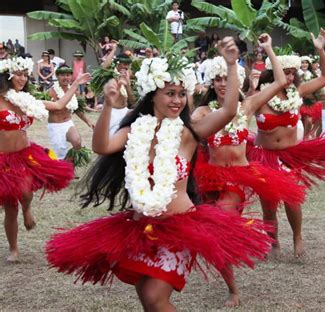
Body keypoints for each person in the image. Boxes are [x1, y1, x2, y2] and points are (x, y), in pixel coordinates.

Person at [46, 37, 273, 311]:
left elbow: (227, 110)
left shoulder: (188, 133)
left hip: (180, 227)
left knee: (155, 297)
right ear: (153, 93)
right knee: (147, 297)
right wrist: (108, 105)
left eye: (181, 93)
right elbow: (102, 146)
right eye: (170, 93)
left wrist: (231, 64)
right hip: (142, 226)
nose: (177, 100)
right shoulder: (134, 131)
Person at [192, 34, 305, 307]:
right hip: (209, 179)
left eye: (226, 78)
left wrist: (268, 49)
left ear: (238, 80)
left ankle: (234, 288)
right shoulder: (203, 113)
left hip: (237, 179)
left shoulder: (247, 106)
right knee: (214, 235)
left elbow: (279, 81)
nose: (222, 84)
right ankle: (232, 286)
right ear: (211, 82)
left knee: (221, 221)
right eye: (217, 79)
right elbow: (186, 129)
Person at [249, 29, 325, 258]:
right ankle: (272, 240)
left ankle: (297, 237)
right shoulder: (260, 96)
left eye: (293, 73)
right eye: (286, 72)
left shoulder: (299, 92)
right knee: (268, 204)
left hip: (289, 155)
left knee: (292, 198)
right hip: (264, 155)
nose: (290, 77)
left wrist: (320, 49)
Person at [0, 56, 90, 262]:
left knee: (25, 192)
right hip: (3, 160)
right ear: (9, 75)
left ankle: (28, 208)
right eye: (19, 74)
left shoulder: (28, 101)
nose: (23, 79)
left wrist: (75, 84)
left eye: (25, 75)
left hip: (24, 155)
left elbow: (58, 105)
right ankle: (13, 249)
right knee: (10, 208)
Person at [47, 65, 94, 167]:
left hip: (68, 123)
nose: (65, 78)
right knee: (60, 153)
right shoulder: (51, 91)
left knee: (77, 141)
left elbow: (77, 109)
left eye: (68, 75)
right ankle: (63, 169)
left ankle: (70, 167)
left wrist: (88, 121)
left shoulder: (73, 90)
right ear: (57, 76)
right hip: (56, 126)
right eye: (62, 75)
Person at [101, 43, 136, 136]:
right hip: (113, 112)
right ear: (117, 63)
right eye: (124, 64)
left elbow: (132, 100)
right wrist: (114, 49)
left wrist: (128, 84)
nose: (126, 67)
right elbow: (104, 67)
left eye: (128, 65)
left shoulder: (127, 75)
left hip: (125, 110)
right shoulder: (110, 74)